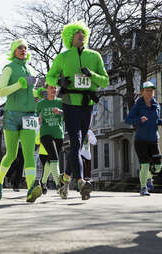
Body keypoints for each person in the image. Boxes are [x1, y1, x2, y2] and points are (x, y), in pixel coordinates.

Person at [46, 21, 109, 200]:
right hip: (69, 101)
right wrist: (60, 82)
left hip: (86, 103)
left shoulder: (94, 56)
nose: (81, 36)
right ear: (69, 37)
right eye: (77, 33)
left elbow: (105, 81)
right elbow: (50, 76)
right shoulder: (63, 57)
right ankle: (81, 182)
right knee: (76, 140)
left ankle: (64, 179)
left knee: (79, 144)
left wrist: (92, 75)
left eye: (83, 33)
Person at [0, 38, 42, 203]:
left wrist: (38, 92)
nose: (23, 50)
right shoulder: (9, 68)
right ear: (14, 51)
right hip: (12, 115)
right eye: (20, 48)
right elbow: (1, 91)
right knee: (12, 154)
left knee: (29, 154)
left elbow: (29, 92)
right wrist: (18, 85)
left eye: (25, 48)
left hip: (29, 114)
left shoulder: (30, 69)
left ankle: (30, 190)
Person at [125, 81, 162, 196]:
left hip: (153, 139)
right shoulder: (138, 105)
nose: (149, 93)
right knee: (145, 164)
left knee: (158, 167)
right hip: (141, 140)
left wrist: (160, 122)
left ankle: (148, 178)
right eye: (147, 91)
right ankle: (143, 188)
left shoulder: (156, 105)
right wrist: (139, 120)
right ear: (142, 92)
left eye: (151, 91)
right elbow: (128, 120)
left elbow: (155, 120)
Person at [36, 84, 64, 197]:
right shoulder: (41, 104)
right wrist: (37, 118)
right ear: (46, 90)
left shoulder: (60, 102)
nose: (54, 90)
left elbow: (67, 114)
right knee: (54, 158)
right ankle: (59, 184)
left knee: (49, 161)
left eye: (55, 88)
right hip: (45, 134)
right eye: (51, 88)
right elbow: (33, 114)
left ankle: (43, 182)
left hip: (58, 134)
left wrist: (60, 112)